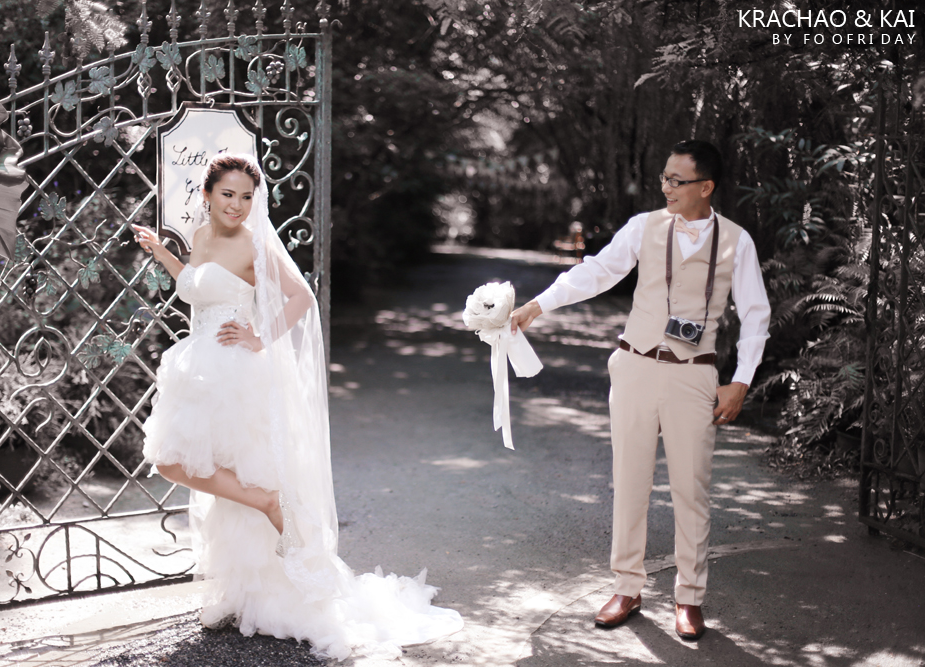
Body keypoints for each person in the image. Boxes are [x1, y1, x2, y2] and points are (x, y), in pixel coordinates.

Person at [131, 153, 463, 660]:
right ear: (207, 195)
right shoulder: (199, 236)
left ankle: (269, 507)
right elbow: (196, 288)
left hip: (235, 370)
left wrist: (259, 337)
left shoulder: (255, 242)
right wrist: (162, 255)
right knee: (180, 463)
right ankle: (252, 585)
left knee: (187, 462)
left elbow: (301, 297)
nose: (237, 205)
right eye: (228, 194)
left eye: (246, 197)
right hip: (197, 369)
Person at [510, 140, 770, 640]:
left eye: (677, 180)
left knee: (691, 490)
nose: (666, 187)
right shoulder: (642, 227)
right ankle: (626, 588)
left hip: (694, 374)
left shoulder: (738, 241)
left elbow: (756, 315)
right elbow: (596, 272)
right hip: (634, 366)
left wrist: (740, 381)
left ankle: (689, 598)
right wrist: (538, 306)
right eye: (664, 177)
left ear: (706, 187)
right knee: (629, 483)